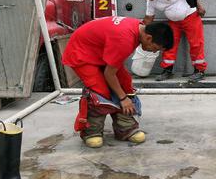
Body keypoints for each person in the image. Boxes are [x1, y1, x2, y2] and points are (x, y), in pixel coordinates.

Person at [62, 16, 173, 148]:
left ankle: (125, 127)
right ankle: (91, 131)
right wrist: (123, 98)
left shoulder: (139, 27)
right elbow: (109, 74)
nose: (154, 51)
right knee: (100, 90)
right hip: (81, 53)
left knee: (125, 83)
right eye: (156, 48)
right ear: (148, 38)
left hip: (99, 51)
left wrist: (124, 93)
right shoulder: (124, 40)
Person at [137, 0, 208, 82]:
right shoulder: (150, 0)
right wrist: (139, 32)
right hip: (173, 21)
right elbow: (148, 18)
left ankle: (199, 71)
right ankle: (167, 70)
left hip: (191, 15)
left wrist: (199, 6)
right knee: (168, 44)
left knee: (196, 44)